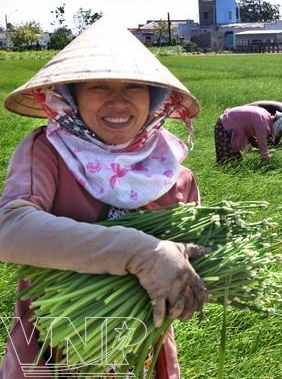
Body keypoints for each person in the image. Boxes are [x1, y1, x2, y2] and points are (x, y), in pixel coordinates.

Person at [0, 19, 206, 378]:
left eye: (133, 86)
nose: (118, 99)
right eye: (98, 85)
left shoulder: (172, 173)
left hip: (142, 349)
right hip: (52, 348)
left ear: (153, 98)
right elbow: (9, 227)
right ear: (72, 95)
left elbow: (194, 262)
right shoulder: (48, 152)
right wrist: (140, 253)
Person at [214, 105, 282, 164]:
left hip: (228, 123)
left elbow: (248, 128)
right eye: (280, 132)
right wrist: (265, 157)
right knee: (227, 162)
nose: (279, 135)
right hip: (224, 126)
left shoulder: (266, 116)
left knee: (236, 160)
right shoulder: (263, 125)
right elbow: (262, 143)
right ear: (278, 126)